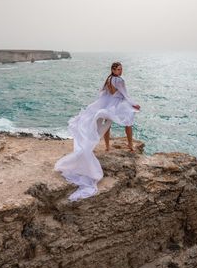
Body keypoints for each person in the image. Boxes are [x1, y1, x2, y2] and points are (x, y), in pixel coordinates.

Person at [54, 62, 140, 201]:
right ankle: (130, 145)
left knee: (107, 123)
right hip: (116, 104)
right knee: (128, 119)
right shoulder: (119, 80)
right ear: (113, 69)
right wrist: (133, 104)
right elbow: (125, 94)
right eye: (118, 69)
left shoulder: (109, 78)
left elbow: (104, 93)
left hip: (107, 105)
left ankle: (107, 146)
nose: (121, 70)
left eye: (121, 68)